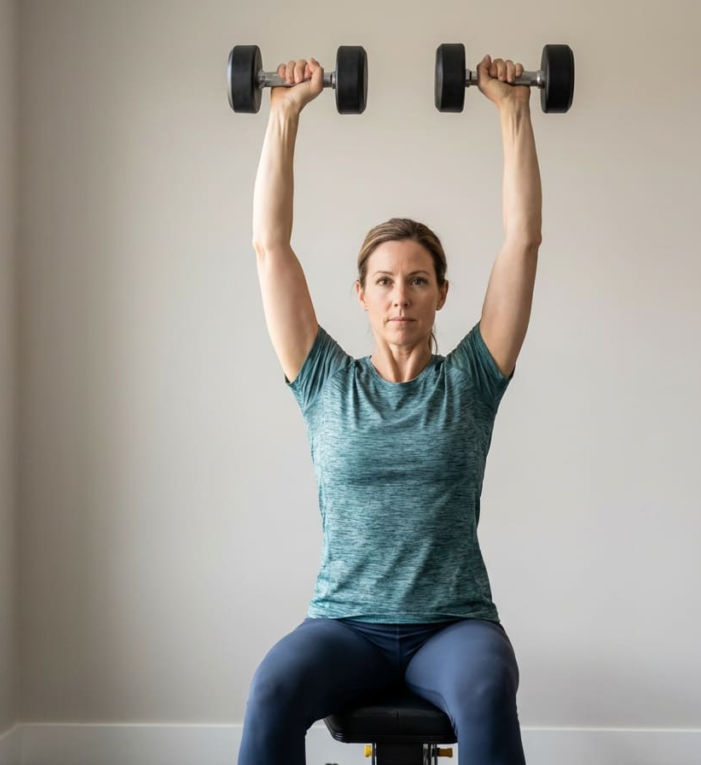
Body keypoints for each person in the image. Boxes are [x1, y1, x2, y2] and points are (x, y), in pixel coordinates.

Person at [239, 51, 541, 765]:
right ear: (362, 295)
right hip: (345, 624)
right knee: (272, 689)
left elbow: (522, 242)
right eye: (384, 280)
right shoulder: (323, 381)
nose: (400, 294)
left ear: (441, 292)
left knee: (488, 691)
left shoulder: (471, 379)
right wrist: (282, 115)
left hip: (453, 625)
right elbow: (268, 245)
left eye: (416, 279)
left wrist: (513, 112)